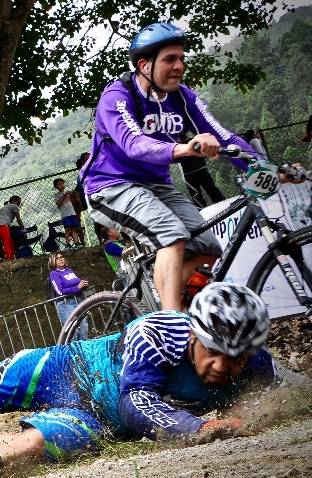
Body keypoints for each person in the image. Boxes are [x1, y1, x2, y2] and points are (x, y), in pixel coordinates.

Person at [0, 284, 298, 478]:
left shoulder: (256, 360)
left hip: (96, 423)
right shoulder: (156, 332)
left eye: (238, 360)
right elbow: (134, 404)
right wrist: (201, 427)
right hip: (61, 368)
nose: (226, 368)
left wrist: (243, 416)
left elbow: (280, 393)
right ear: (194, 334)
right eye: (215, 353)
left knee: (29, 448)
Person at [82, 22, 257, 312]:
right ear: (144, 65)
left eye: (181, 59)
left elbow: (224, 136)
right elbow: (134, 144)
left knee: (208, 248)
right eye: (169, 60)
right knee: (171, 235)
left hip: (158, 187)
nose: (179, 66)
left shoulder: (182, 98)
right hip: (110, 186)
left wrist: (265, 166)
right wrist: (183, 148)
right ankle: (170, 324)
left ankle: (188, 315)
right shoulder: (117, 96)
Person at [48, 253, 89, 340]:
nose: (60, 259)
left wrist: (83, 284)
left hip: (79, 300)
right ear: (53, 262)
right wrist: (77, 287)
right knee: (72, 331)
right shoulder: (54, 274)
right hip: (66, 304)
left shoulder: (69, 270)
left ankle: (83, 350)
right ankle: (74, 352)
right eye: (57, 258)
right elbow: (59, 292)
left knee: (84, 328)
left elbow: (77, 284)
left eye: (61, 257)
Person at [53, 178, 84, 247]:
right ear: (56, 187)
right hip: (65, 215)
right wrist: (64, 196)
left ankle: (76, 242)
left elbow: (73, 202)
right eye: (60, 184)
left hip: (72, 213)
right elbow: (58, 204)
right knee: (67, 229)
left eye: (63, 183)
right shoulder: (57, 195)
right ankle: (68, 243)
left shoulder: (68, 193)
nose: (62, 185)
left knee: (74, 229)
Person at [0, 196, 23, 261]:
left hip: (0, 225)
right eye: (18, 202)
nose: (18, 204)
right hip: (3, 224)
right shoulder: (14, 206)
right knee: (7, 243)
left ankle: (11, 258)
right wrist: (23, 230)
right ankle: (10, 259)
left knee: (11, 242)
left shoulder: (5, 207)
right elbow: (18, 220)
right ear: (13, 200)